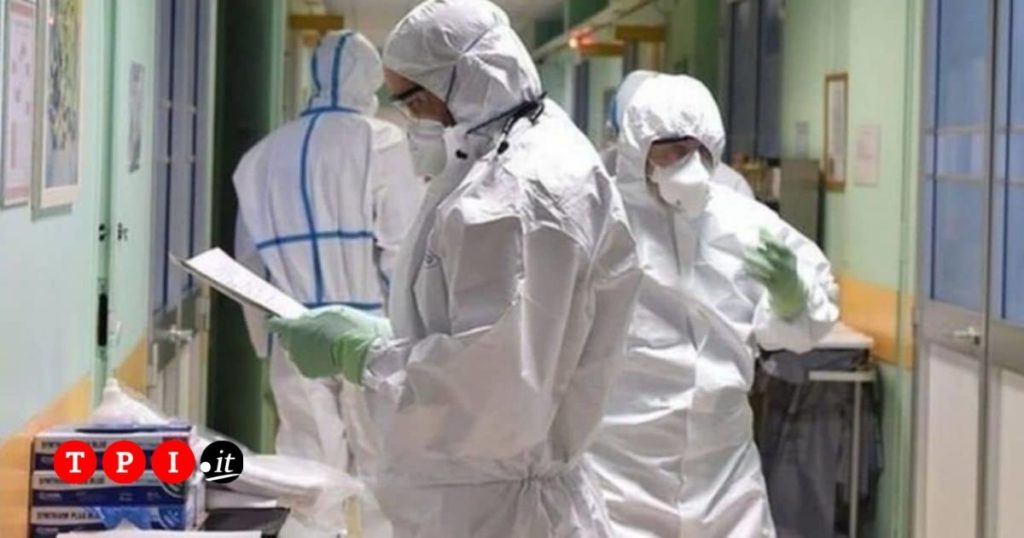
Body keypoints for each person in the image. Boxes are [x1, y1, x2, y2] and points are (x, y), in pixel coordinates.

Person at [267, 1, 643, 536]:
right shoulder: (511, 155)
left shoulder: (516, 194)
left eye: (413, 101)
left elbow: (492, 394)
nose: (411, 120)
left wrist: (367, 355)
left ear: (467, 80)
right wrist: (393, 337)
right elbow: (493, 337)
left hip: (501, 516)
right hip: (483, 501)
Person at [587, 73, 839, 537]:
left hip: (722, 466)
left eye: (696, 149)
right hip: (620, 465)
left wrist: (791, 297)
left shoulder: (741, 219)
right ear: (637, 148)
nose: (685, 162)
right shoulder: (600, 218)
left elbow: (809, 313)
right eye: (669, 150)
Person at [232, 30, 423, 537]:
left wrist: (266, 338)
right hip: (371, 333)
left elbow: (249, 267)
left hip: (295, 334)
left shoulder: (262, 158)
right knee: (385, 469)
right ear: (371, 79)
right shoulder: (383, 143)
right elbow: (402, 249)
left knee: (304, 473)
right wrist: (415, 338)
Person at [602, 70, 756, 199]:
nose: (693, 159)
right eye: (676, 149)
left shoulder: (732, 188)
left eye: (696, 147)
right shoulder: (600, 178)